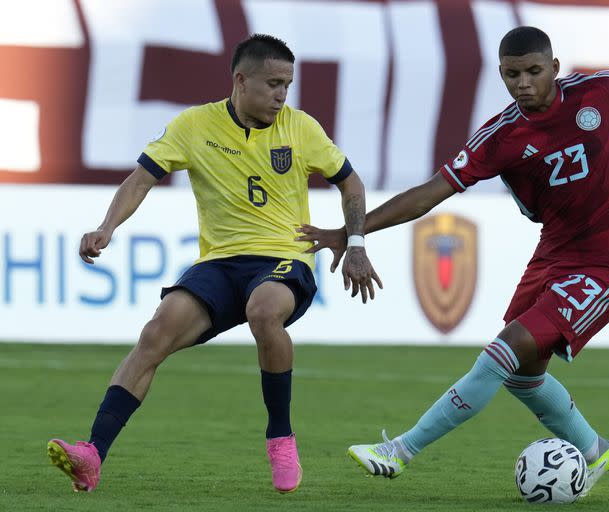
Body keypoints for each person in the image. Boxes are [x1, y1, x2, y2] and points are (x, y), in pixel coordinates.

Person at [297, 26, 609, 494]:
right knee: (522, 374)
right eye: (511, 74)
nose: (523, 82)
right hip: (553, 255)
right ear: (501, 74)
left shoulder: (597, 92)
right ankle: (594, 448)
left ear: (554, 69)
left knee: (499, 355)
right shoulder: (501, 137)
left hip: (607, 260)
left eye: (534, 71)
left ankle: (399, 452)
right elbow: (429, 193)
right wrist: (353, 232)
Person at [46, 34, 381, 495]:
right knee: (155, 333)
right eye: (273, 84)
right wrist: (108, 227)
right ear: (241, 81)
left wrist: (356, 242)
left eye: (288, 84)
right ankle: (92, 454)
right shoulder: (193, 125)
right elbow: (141, 179)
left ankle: (281, 438)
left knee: (264, 312)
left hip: (285, 257)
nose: (282, 95)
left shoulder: (301, 128)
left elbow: (352, 183)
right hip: (221, 263)